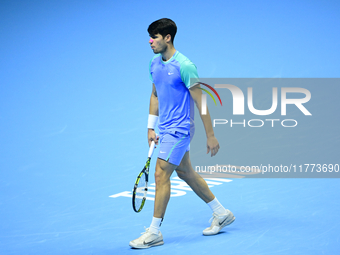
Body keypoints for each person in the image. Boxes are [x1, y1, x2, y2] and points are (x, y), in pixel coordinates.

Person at [129, 18, 235, 249]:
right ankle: (221, 213)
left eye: (155, 37)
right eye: (150, 36)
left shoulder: (185, 66)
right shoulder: (154, 64)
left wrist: (210, 134)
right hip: (165, 127)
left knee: (160, 175)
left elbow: (201, 101)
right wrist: (150, 126)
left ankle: (154, 232)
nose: (150, 41)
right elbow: (155, 95)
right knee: (185, 172)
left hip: (180, 129)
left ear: (168, 38)